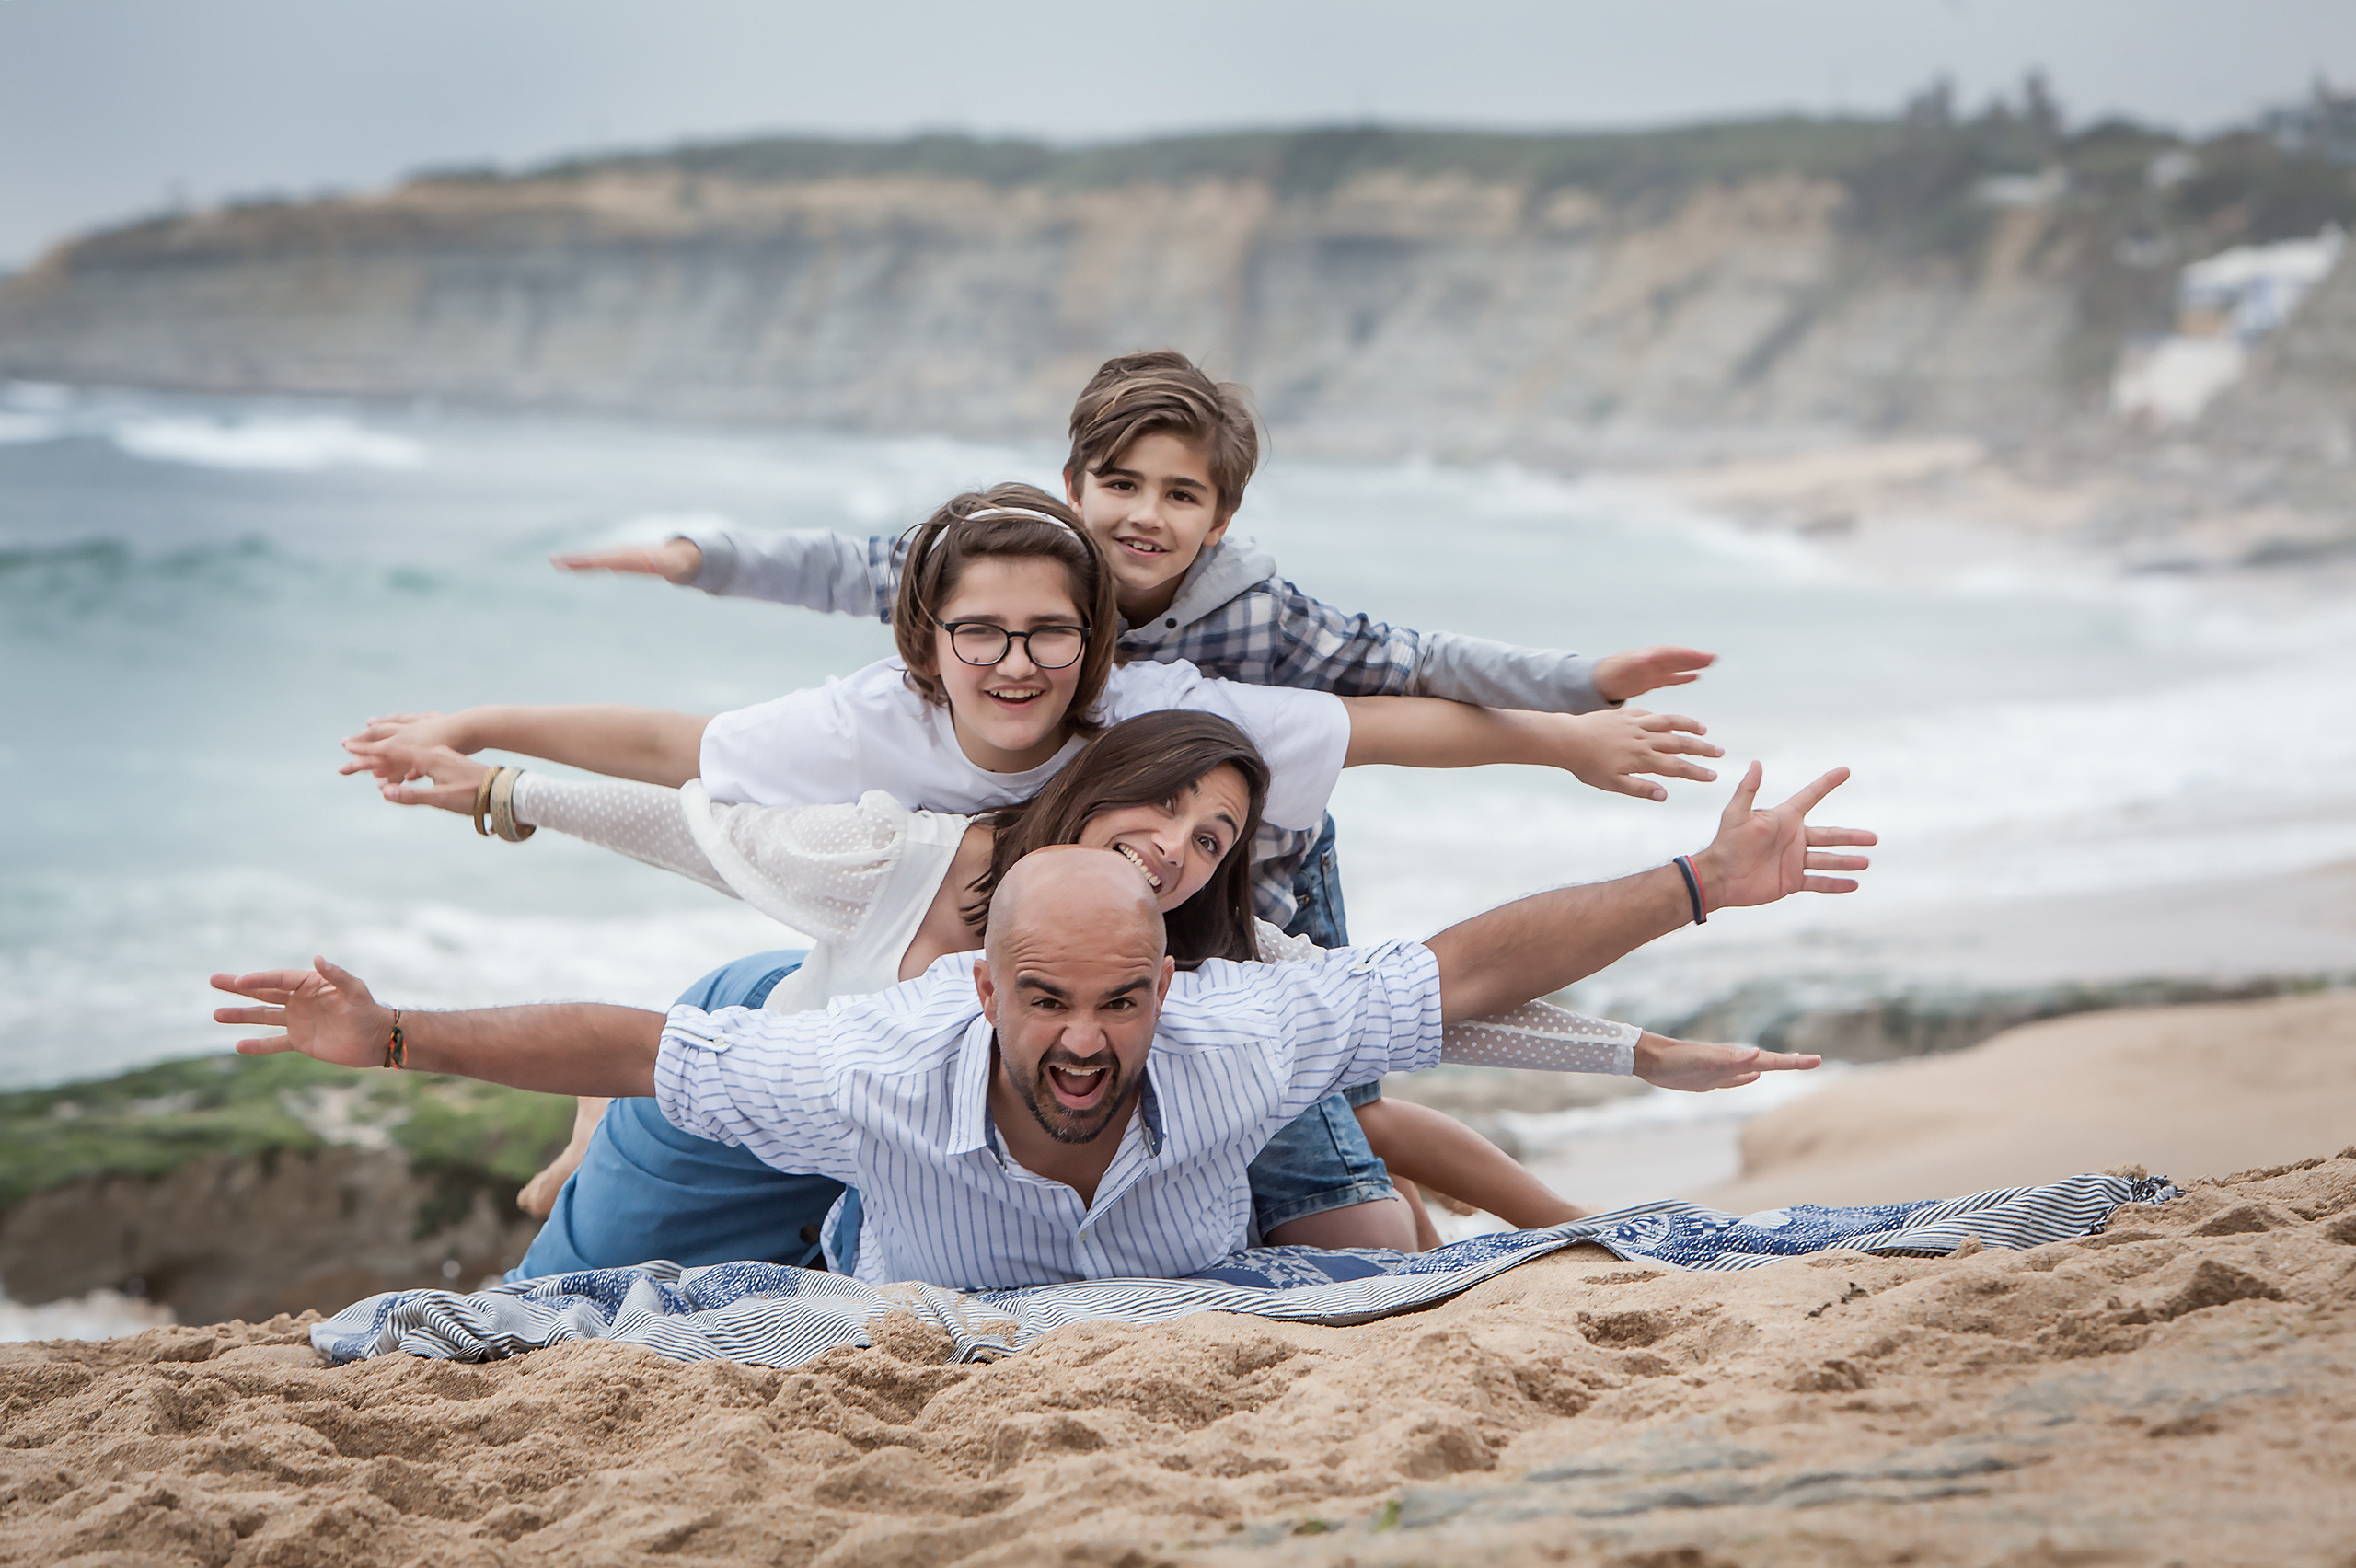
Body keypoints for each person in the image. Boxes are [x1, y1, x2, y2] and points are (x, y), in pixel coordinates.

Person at [344, 484, 1721, 1249]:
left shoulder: (1170, 768)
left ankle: (1543, 1223)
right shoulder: (879, 763)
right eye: (978, 632)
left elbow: (1394, 737)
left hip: (1009, 1012)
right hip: (838, 997)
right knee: (671, 1113)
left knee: (1316, 1097)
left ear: (1100, 645)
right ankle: (585, 1149)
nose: (1016, 661)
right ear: (927, 643)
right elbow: (679, 785)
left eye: (1050, 632)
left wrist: (1572, 742)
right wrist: (489, 763)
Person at [214, 761, 1874, 1291]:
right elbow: (638, 1042)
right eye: (1050, 999)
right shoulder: (880, 1056)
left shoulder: (1239, 1031)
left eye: (1123, 998)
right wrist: (401, 1035)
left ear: (1172, 983)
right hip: (896, 1251)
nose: (1086, 1037)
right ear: (983, 985)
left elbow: (1461, 970)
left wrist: (1701, 879)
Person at [381, 712, 1667, 1272]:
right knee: (596, 1237)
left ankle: (583, 1146)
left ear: (1166, 975)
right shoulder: (914, 855)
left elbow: (1446, 989)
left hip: (858, 1112)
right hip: (785, 1023)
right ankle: (579, 1159)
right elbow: (685, 831)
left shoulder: (1218, 972)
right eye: (1161, 810)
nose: (1177, 848)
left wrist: (1638, 1052)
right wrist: (501, 790)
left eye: (1213, 839)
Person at [553, 349, 1719, 940]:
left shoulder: (1259, 611)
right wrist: (698, 557)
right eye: (1118, 483)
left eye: (1179, 495)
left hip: (1253, 862)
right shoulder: (1004, 571)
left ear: (1220, 519)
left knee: (1329, 1085)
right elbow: (834, 564)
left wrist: (1579, 699)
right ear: (1075, 484)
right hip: (1101, 868)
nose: (1143, 516)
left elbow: (1409, 663)